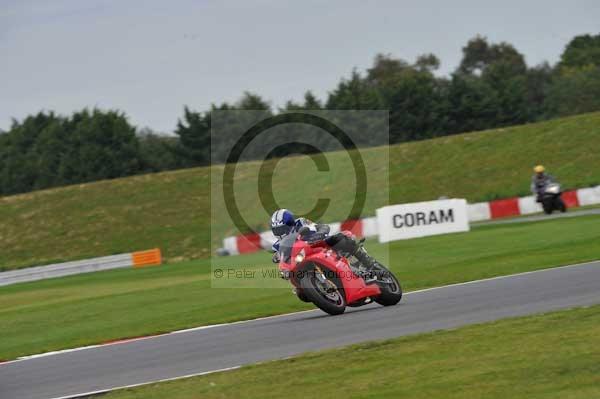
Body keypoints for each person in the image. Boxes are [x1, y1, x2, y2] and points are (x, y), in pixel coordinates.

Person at [269, 209, 377, 269]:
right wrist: (277, 257)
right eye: (277, 230)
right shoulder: (278, 244)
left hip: (320, 244)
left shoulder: (301, 222)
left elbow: (322, 227)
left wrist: (320, 234)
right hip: (304, 257)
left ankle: (367, 261)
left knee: (340, 238)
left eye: (282, 229)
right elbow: (279, 255)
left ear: (290, 223)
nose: (280, 233)